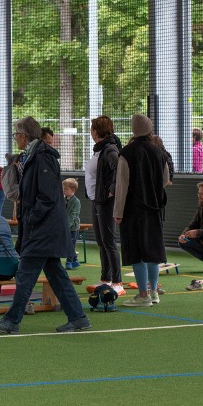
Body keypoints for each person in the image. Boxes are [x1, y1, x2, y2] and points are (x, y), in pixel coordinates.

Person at [0, 116, 92, 335]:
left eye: (16, 135)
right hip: (45, 227)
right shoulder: (36, 156)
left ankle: (12, 320)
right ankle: (78, 317)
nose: (15, 138)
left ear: (24, 136)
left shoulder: (41, 158)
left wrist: (31, 218)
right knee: (56, 274)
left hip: (43, 228)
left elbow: (46, 195)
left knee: (26, 274)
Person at [115, 114, 170, 307]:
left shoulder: (127, 153)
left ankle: (142, 294)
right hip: (154, 209)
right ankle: (154, 292)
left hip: (133, 210)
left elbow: (122, 185)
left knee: (137, 251)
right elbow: (164, 180)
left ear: (133, 129)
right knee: (153, 250)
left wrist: (118, 211)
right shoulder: (159, 152)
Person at [85, 115, 122, 291]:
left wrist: (112, 189)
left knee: (109, 241)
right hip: (96, 199)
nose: (90, 132)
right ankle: (105, 278)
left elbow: (119, 169)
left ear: (96, 131)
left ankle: (117, 282)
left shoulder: (109, 150)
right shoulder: (99, 149)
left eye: (92, 128)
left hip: (105, 201)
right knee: (101, 241)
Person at [63, 178, 81, 270]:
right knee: (68, 244)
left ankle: (69, 261)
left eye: (66, 189)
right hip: (66, 226)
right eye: (63, 189)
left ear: (73, 190)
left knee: (71, 244)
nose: (64, 191)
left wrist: (66, 226)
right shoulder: (64, 199)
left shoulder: (76, 202)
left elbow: (72, 215)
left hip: (73, 228)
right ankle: (74, 260)